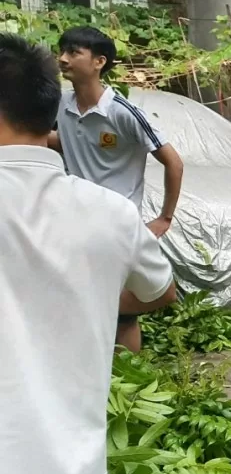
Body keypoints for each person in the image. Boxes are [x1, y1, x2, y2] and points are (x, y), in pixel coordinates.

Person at [0, 33, 177, 474]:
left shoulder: (123, 112)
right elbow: (162, 292)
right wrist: (91, 293)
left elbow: (167, 157)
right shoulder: (107, 214)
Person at [49, 25, 184, 353]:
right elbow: (67, 143)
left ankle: (126, 379)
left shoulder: (121, 113)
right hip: (75, 219)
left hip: (116, 224)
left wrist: (165, 218)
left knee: (122, 309)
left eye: (73, 52)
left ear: (99, 62)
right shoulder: (61, 106)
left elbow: (173, 162)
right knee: (84, 296)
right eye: (62, 51)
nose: (63, 59)